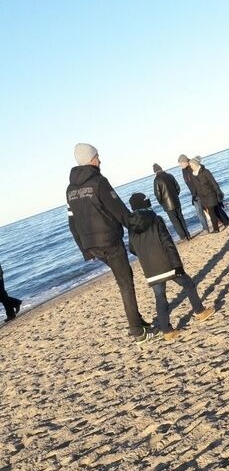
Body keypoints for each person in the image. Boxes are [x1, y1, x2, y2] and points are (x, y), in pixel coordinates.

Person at [66, 143, 158, 343]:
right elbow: (119, 210)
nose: (100, 160)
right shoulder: (99, 182)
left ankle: (138, 321)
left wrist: (85, 250)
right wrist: (141, 225)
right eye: (98, 156)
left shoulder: (70, 189)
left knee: (123, 278)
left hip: (93, 246)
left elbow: (72, 222)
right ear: (91, 159)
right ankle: (137, 330)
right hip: (109, 241)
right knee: (125, 281)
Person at [127, 193, 212, 341]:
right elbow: (167, 243)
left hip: (150, 269)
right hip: (166, 263)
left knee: (160, 298)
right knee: (189, 284)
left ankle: (167, 331)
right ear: (145, 204)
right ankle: (200, 311)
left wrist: (145, 253)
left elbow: (132, 249)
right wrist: (177, 265)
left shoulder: (131, 227)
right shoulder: (156, 219)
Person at [188, 159, 229, 233]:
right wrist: (194, 195)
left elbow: (213, 182)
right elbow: (195, 187)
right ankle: (227, 223)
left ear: (195, 165)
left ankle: (216, 229)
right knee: (217, 210)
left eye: (191, 165)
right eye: (190, 165)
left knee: (211, 212)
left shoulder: (205, 171)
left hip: (211, 194)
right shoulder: (193, 175)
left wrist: (218, 192)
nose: (190, 167)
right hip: (203, 197)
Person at [152, 164, 191, 241]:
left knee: (175, 221)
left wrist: (162, 203)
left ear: (155, 171)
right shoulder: (170, 175)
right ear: (161, 168)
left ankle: (183, 237)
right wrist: (175, 196)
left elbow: (158, 194)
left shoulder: (157, 180)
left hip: (167, 204)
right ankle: (187, 234)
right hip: (176, 200)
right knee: (181, 218)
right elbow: (178, 188)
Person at [177, 153, 209, 233]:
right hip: (194, 194)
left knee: (208, 208)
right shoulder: (183, 170)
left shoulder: (192, 165)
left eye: (181, 163)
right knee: (199, 212)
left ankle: (217, 222)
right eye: (179, 164)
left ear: (185, 161)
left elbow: (199, 175)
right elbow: (189, 183)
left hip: (201, 192)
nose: (180, 165)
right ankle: (205, 228)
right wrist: (193, 194)